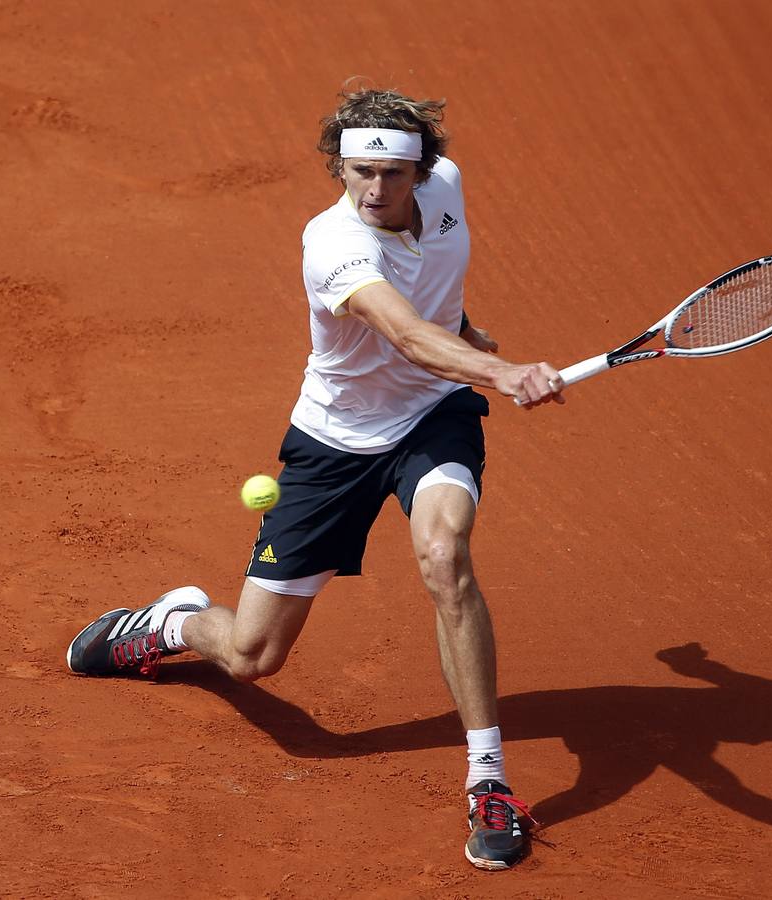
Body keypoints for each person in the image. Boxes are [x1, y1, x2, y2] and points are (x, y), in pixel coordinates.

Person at [66, 86, 564, 871]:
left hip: (432, 416)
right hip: (335, 443)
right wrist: (500, 371)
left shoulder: (446, 189)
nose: (374, 189)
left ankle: (487, 780)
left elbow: (436, 297)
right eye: (359, 171)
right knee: (251, 656)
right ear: (338, 167)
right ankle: (172, 625)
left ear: (422, 170)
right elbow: (405, 332)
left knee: (444, 556)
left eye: (392, 174)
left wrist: (466, 334)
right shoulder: (333, 243)